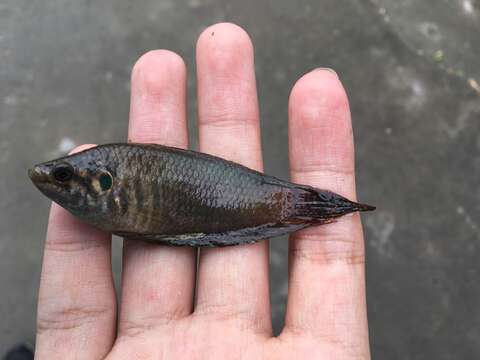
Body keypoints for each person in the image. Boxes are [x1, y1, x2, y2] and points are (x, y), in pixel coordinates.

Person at [34, 23, 371, 359]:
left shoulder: (111, 186)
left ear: (103, 181)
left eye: (63, 175)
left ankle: (322, 206)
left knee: (281, 202)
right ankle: (323, 206)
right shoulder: (105, 190)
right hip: (194, 207)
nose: (48, 177)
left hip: (202, 203)